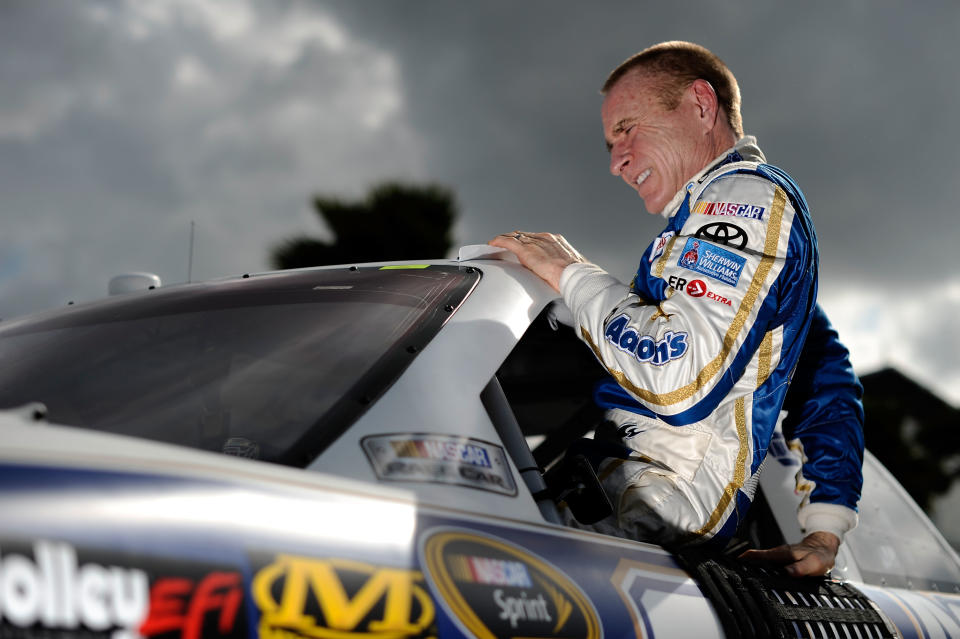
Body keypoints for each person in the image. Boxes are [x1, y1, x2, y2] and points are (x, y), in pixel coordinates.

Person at [490, 41, 864, 577]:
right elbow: (824, 377)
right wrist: (826, 528)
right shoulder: (708, 242)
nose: (617, 162)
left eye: (627, 129)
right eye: (610, 145)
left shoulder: (746, 197)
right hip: (636, 496)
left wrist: (570, 273)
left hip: (660, 507)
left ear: (700, 104)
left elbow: (675, 375)